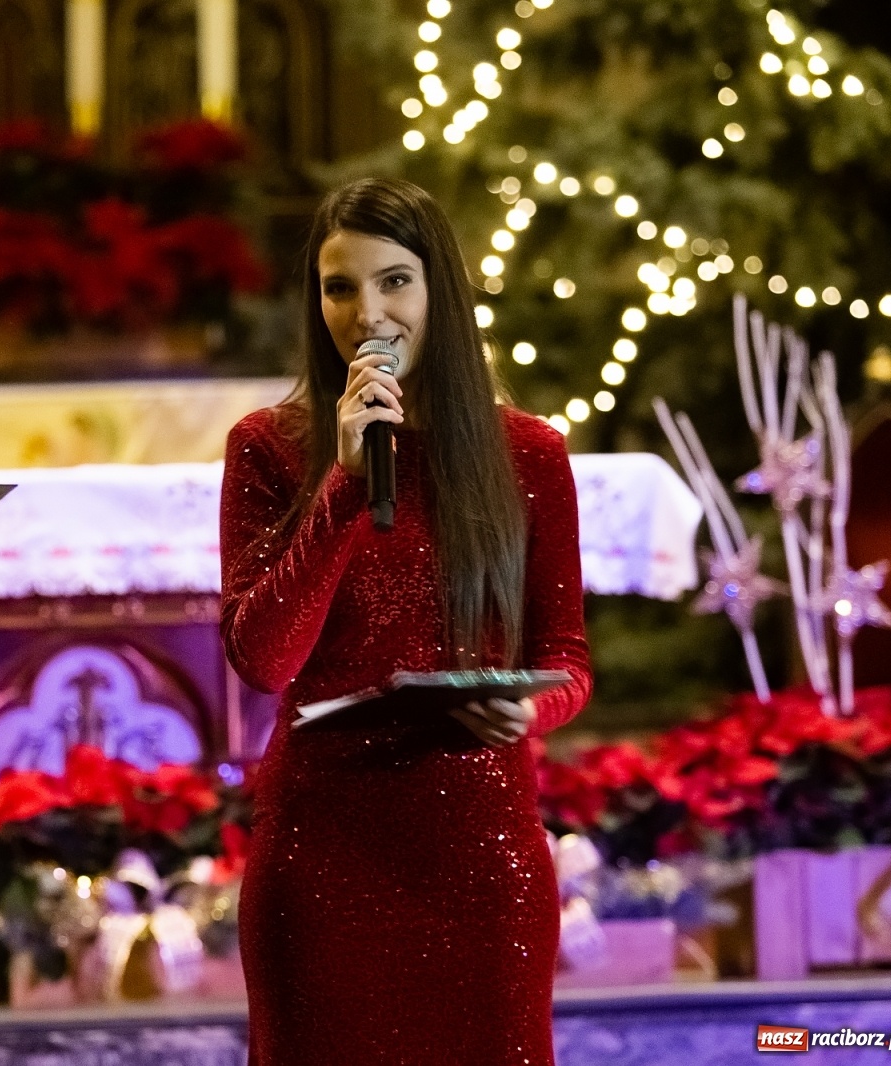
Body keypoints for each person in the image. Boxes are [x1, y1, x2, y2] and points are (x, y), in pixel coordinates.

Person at [220, 177, 592, 1064]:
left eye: (394, 282)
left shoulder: (528, 454)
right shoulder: (268, 447)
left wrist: (527, 708)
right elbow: (264, 659)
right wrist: (345, 486)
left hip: (479, 850)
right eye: (339, 287)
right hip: (323, 851)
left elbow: (567, 658)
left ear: (439, 293)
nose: (367, 312)